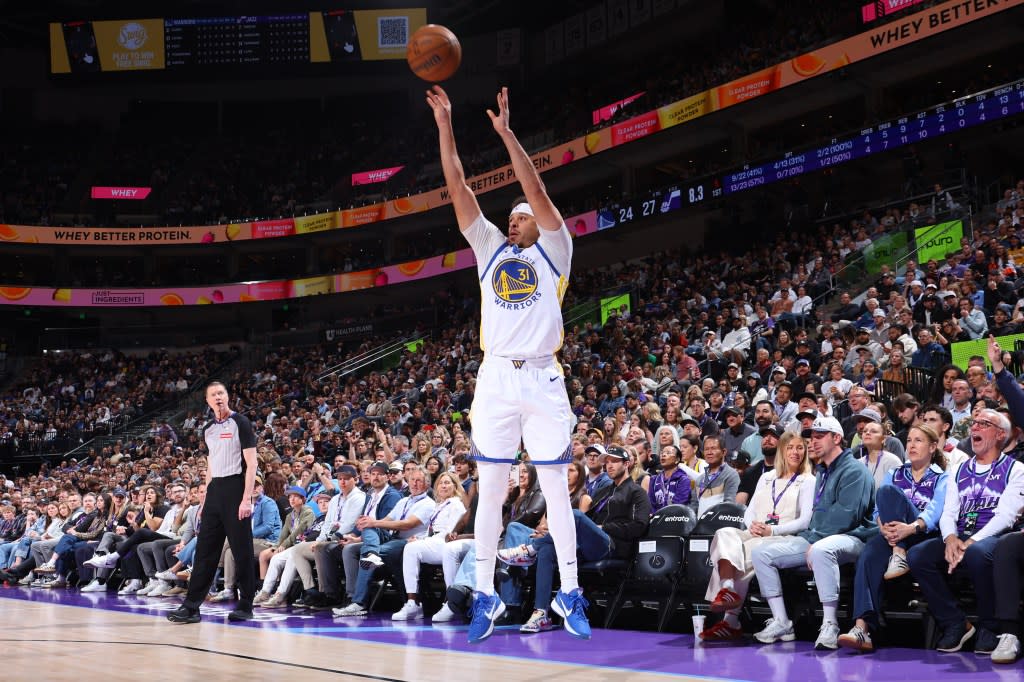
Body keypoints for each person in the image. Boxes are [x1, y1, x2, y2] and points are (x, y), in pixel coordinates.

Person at [427, 84, 587, 642]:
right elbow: (459, 189)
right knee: (488, 490)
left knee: (556, 486)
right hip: (494, 374)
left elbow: (535, 187)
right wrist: (447, 127)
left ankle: (570, 590)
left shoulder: (556, 249)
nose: (513, 220)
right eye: (511, 218)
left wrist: (505, 135)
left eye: (520, 217)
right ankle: (485, 595)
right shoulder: (491, 251)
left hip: (542, 374)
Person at [750, 415, 876, 650]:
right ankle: (781, 621)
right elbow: (817, 515)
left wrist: (813, 540)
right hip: (819, 538)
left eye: (819, 437)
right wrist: (807, 539)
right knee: (761, 553)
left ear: (837, 438)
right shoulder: (822, 472)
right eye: (811, 437)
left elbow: (846, 517)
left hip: (854, 537)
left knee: (820, 551)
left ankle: (830, 623)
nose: (813, 442)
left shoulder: (854, 471)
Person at [497, 445, 650, 635]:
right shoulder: (604, 492)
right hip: (587, 545)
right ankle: (541, 613)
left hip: (612, 545)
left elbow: (640, 526)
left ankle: (530, 549)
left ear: (627, 464)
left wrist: (603, 528)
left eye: (615, 461)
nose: (609, 465)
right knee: (547, 551)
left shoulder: (636, 492)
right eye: (607, 461)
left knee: (575, 515)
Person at [907, 408, 1024, 654]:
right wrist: (950, 538)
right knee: (918, 555)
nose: (975, 428)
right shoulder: (959, 469)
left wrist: (970, 542)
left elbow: (1006, 517)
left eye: (984, 424)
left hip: (993, 537)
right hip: (959, 536)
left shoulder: (1015, 470)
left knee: (978, 553)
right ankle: (955, 622)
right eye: (974, 423)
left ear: (1001, 434)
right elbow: (949, 511)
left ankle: (990, 626)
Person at [838, 424, 949, 653]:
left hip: (921, 535)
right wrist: (883, 528)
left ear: (932, 446)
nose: (912, 445)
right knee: (868, 554)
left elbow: (935, 511)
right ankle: (862, 629)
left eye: (918, 440)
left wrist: (910, 528)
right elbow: (879, 509)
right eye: (909, 440)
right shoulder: (896, 473)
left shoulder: (942, 477)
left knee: (889, 492)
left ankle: (900, 554)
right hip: (892, 535)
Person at [700, 431, 814, 640]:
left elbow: (805, 520)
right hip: (755, 531)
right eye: (790, 447)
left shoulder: (808, 480)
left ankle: (730, 620)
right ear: (781, 451)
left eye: (800, 448)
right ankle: (727, 588)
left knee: (744, 554)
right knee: (724, 534)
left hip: (782, 535)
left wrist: (772, 530)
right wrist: (751, 526)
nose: (795, 452)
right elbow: (749, 511)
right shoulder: (765, 477)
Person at [167, 381, 260, 624]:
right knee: (205, 552)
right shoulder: (208, 429)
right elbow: (210, 467)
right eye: (213, 394)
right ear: (207, 401)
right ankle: (191, 606)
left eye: (221, 392)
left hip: (236, 488)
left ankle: (246, 604)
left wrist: (247, 498)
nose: (218, 397)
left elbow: (252, 463)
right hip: (215, 491)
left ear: (227, 396)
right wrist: (204, 502)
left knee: (241, 551)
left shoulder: (241, 422)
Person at [393, 472, 468, 620]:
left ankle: (451, 602)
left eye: (447, 483)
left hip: (447, 543)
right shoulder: (439, 505)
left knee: (414, 548)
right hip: (434, 541)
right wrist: (420, 539)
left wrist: (424, 542)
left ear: (455, 486)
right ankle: (413, 602)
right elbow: (431, 531)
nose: (443, 486)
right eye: (441, 483)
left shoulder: (456, 504)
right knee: (410, 548)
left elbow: (450, 532)